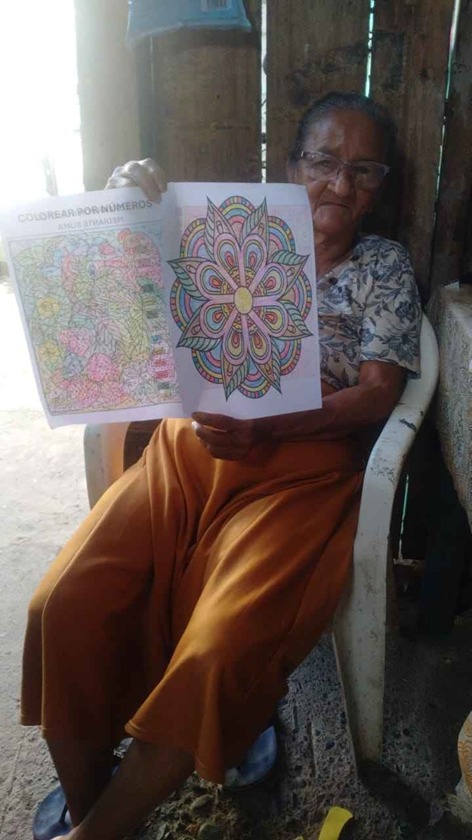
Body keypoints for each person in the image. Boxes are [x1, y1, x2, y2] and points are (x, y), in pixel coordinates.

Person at [22, 91, 422, 840]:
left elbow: (377, 394)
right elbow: (123, 276)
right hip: (187, 456)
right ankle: (92, 804)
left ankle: (93, 833)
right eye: (325, 161)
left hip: (298, 472)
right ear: (292, 165)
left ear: (380, 186)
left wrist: (273, 421)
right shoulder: (225, 229)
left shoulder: (383, 267)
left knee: (217, 649)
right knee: (64, 604)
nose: (340, 185)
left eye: (364, 171)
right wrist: (125, 197)